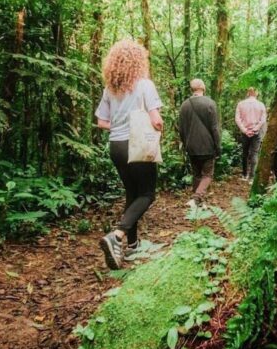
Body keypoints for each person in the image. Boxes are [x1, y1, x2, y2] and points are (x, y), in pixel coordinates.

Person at [95, 39, 163, 270]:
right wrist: (157, 125)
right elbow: (155, 119)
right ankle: (117, 235)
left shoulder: (110, 89)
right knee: (147, 194)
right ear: (139, 61)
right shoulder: (145, 85)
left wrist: (120, 123)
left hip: (116, 145)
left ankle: (133, 245)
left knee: (132, 193)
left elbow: (101, 121)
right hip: (137, 143)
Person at [179, 79, 221, 207]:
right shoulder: (210, 104)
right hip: (207, 145)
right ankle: (197, 198)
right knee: (207, 175)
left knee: (197, 174)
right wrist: (218, 146)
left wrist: (185, 144)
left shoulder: (184, 105)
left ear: (192, 89)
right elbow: (215, 128)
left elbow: (181, 128)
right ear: (203, 88)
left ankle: (198, 203)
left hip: (191, 146)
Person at [235, 87, 266, 182]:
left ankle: (244, 175)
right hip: (256, 133)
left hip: (245, 132)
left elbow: (237, 118)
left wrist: (244, 130)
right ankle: (252, 177)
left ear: (248, 93)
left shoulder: (241, 104)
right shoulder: (261, 105)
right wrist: (255, 128)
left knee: (245, 153)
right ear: (256, 93)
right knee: (254, 153)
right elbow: (263, 119)